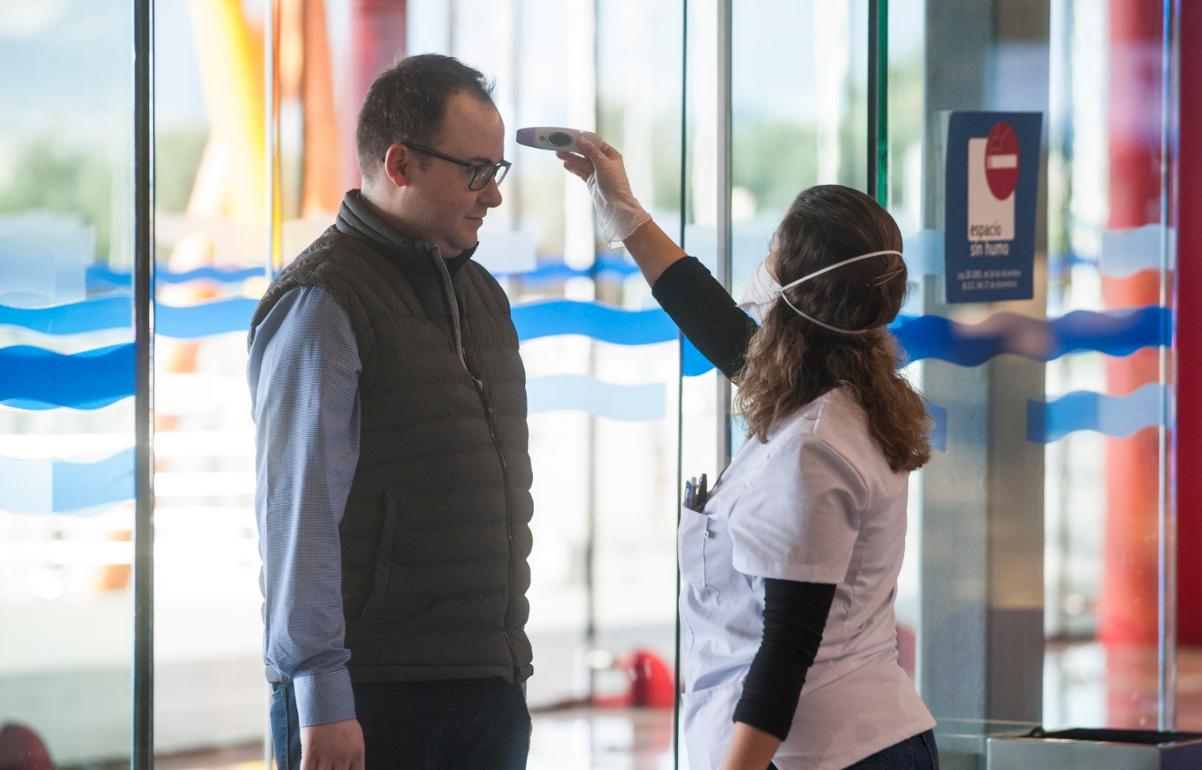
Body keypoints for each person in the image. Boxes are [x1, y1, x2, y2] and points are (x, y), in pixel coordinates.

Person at [559, 139, 940, 770]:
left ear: (798, 288)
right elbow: (718, 326)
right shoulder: (849, 390)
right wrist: (623, 212)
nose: (762, 266)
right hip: (865, 737)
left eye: (773, 253)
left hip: (821, 753)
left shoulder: (814, 450)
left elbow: (785, 651)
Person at [247, 54, 533, 770]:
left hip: (486, 689)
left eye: (498, 171)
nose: (492, 196)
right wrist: (321, 691)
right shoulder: (324, 301)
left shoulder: (485, 298)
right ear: (400, 163)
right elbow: (299, 515)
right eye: (476, 171)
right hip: (370, 699)